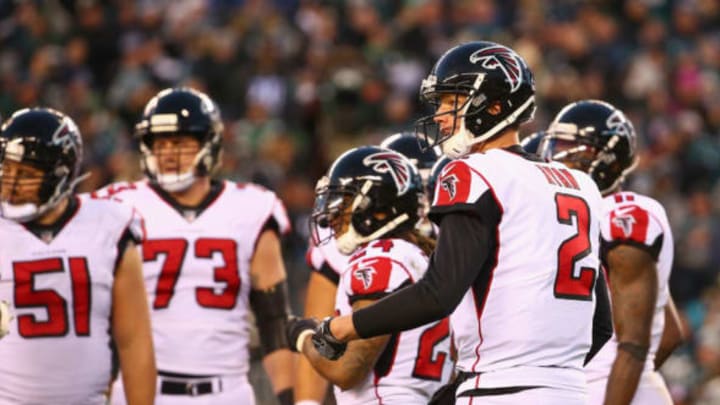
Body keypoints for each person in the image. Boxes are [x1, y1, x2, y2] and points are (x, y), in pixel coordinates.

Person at [305, 41, 613, 404]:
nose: (439, 115)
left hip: (498, 389)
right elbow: (600, 327)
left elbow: (439, 292)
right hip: (571, 392)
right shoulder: (580, 184)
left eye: (453, 101)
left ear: (494, 106)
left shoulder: (473, 172)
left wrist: (342, 327)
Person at [93, 87, 294, 404]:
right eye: (160, 143)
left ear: (209, 144)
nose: (170, 153)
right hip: (140, 391)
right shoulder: (117, 205)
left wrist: (289, 397)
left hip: (225, 391)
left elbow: (274, 321)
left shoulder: (252, 207)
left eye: (181, 142)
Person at [0, 108, 156, 404]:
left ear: (61, 174)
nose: (13, 184)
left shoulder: (108, 223)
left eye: (27, 174)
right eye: (7, 170)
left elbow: (134, 340)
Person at [537, 99, 686, 404]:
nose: (558, 159)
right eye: (557, 147)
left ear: (609, 161)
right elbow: (670, 333)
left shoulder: (621, 216)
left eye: (573, 151)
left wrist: (613, 385)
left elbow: (631, 346)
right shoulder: (568, 216)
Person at [288, 145, 452, 404]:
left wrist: (303, 336)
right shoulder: (422, 258)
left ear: (377, 208)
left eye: (343, 202)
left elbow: (348, 370)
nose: (331, 216)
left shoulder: (379, 260)